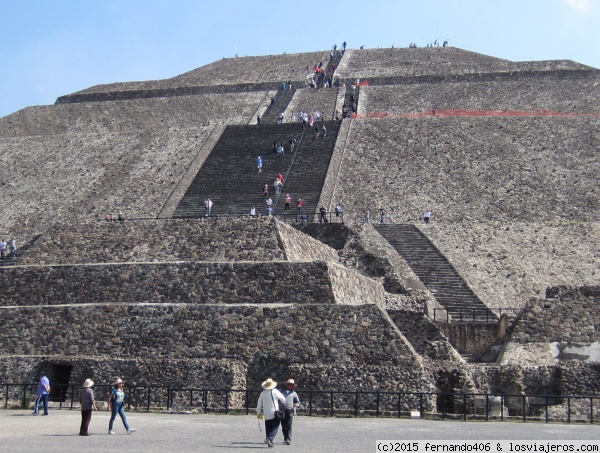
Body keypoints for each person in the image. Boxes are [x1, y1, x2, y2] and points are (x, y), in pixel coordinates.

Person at [256, 378, 285, 448]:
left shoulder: (262, 393)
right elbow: (283, 399)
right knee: (275, 426)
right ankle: (269, 438)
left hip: (266, 413)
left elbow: (259, 404)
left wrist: (258, 413)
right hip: (274, 412)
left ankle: (270, 442)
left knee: (268, 427)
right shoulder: (274, 391)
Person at [280, 379, 300, 445]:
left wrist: (295, 405)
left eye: (291, 385)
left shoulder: (294, 394)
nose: (289, 386)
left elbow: (297, 402)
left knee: (289, 424)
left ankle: (288, 439)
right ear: (286, 385)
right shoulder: (281, 392)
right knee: (283, 425)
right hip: (282, 410)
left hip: (290, 410)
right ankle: (285, 438)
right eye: (288, 384)